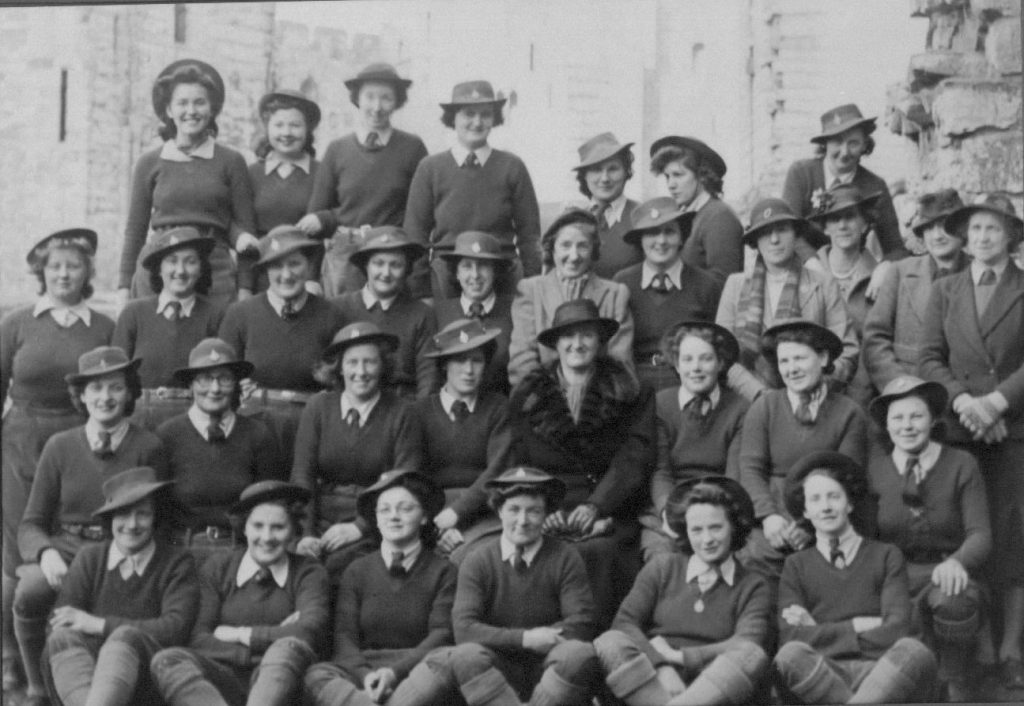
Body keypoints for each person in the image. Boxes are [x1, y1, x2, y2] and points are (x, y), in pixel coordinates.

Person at [14, 346, 165, 704]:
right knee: (31, 591)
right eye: (95, 389)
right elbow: (31, 523)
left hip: (126, 546)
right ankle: (37, 689)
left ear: (129, 392)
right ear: (81, 396)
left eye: (115, 387)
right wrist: (46, 552)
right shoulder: (60, 446)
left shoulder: (149, 446)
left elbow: (160, 519)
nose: (105, 397)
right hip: (68, 547)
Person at [1, 227, 113, 691]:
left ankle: (65, 651)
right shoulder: (17, 322)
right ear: (41, 273)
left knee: (68, 537)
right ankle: (10, 654)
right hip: (21, 441)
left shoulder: (104, 326)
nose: (63, 274)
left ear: (87, 272)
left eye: (73, 266)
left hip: (76, 438)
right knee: (15, 552)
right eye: (54, 266)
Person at [919, 193, 1024, 690]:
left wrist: (997, 404)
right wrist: (964, 403)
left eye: (994, 230)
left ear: (1011, 237)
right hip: (964, 430)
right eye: (976, 229)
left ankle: (1012, 647)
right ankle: (977, 641)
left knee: (1013, 533)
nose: (982, 239)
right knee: (970, 529)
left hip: (1014, 427)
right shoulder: (945, 289)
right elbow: (928, 358)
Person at [396, 467, 602, 706]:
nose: (523, 521)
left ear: (546, 513)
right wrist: (525, 638)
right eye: (514, 510)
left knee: (577, 654)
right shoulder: (477, 559)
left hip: (549, 666)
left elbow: (582, 621)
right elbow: (464, 628)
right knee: (465, 656)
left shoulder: (565, 556)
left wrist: (542, 642)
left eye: (534, 511)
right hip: (493, 669)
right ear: (499, 512)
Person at [509, 299, 654, 626]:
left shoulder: (629, 390)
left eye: (586, 335)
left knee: (597, 553)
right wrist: (542, 510)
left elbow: (634, 457)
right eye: (568, 337)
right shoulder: (528, 394)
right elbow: (520, 460)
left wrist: (596, 508)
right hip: (549, 508)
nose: (577, 344)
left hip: (611, 507)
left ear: (600, 341)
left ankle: (592, 639)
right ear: (555, 345)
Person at [773, 451, 937, 704]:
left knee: (913, 652)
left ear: (849, 504)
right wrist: (859, 625)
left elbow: (897, 629)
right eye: (815, 500)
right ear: (805, 511)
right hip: (823, 673)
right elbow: (791, 636)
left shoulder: (886, 555)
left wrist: (817, 629)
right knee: (790, 655)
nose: (826, 507)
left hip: (883, 671)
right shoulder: (796, 565)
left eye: (834, 497)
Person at [867, 376, 993, 699]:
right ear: (886, 424)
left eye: (916, 416)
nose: (907, 426)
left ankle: (954, 679)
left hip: (945, 572)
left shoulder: (961, 464)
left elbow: (980, 534)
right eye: (898, 418)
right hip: (895, 574)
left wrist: (956, 562)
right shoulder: (874, 470)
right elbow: (867, 537)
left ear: (933, 419)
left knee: (954, 598)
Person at [150, 481, 329, 706]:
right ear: (244, 528)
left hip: (285, 682)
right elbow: (198, 637)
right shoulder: (218, 568)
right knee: (168, 659)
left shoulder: (308, 572)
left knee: (288, 647)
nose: (266, 537)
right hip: (223, 681)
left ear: (293, 530)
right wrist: (264, 645)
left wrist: (238, 634)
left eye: (278, 527)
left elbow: (308, 633)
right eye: (258, 526)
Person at [594, 476, 770, 706]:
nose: (706, 539)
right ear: (686, 532)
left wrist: (680, 657)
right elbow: (625, 622)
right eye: (696, 530)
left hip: (714, 688)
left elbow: (747, 642)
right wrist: (662, 666)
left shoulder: (753, 584)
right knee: (610, 641)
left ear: (733, 528)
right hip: (653, 681)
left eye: (715, 528)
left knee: (751, 655)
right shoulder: (663, 567)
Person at [43, 466, 198, 706]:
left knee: (126, 636)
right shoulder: (90, 557)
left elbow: (175, 628)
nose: (132, 524)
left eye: (143, 514)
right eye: (123, 514)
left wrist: (98, 625)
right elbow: (59, 620)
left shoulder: (176, 562)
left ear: (156, 517)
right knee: (61, 638)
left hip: (145, 673)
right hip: (86, 673)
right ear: (110, 519)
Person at [304, 469, 457, 706]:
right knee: (315, 675)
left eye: (405, 509)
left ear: (424, 516)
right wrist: (367, 676)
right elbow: (344, 637)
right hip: (364, 672)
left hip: (416, 670)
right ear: (375, 518)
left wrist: (393, 674)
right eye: (384, 510)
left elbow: (441, 635)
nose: (393, 516)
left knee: (445, 666)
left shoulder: (444, 571)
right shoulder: (356, 570)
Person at [737, 320, 870, 581]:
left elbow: (848, 477)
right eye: (784, 361)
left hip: (828, 514)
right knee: (755, 560)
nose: (792, 369)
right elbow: (751, 469)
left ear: (822, 358)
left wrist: (810, 525)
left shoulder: (849, 412)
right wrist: (768, 518)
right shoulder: (764, 407)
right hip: (771, 514)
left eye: (799, 358)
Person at [119, 59, 258, 309]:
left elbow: (246, 230)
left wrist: (245, 290)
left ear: (212, 108)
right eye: (182, 103)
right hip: (159, 266)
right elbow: (135, 231)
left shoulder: (231, 161)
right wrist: (122, 289)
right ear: (169, 110)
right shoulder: (149, 162)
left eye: (200, 102)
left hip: (214, 270)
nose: (191, 111)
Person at [291, 323, 422, 584]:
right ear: (339, 367)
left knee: (342, 569)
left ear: (382, 366)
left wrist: (359, 527)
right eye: (352, 363)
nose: (360, 372)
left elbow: (406, 480)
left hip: (375, 523)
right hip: (320, 521)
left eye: (370, 363)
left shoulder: (402, 413)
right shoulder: (318, 408)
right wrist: (305, 534)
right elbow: (302, 476)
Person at [404, 80, 542, 300]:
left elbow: (530, 235)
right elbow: (416, 235)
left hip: (502, 278)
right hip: (447, 279)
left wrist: (531, 288)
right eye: (469, 114)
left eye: (485, 114)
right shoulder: (430, 168)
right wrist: (422, 292)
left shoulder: (512, 167)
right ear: (453, 119)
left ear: (494, 119)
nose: (477, 122)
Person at [219, 226, 345, 466]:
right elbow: (222, 375)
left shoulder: (331, 315)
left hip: (311, 426)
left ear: (308, 266)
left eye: (294, 264)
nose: (286, 275)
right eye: (277, 266)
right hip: (254, 426)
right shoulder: (240, 315)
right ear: (265, 270)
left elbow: (341, 383)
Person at [301, 63, 428, 297]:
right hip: (345, 257)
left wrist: (415, 272)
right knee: (341, 323)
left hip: (390, 257)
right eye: (369, 97)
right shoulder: (337, 150)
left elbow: (419, 215)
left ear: (397, 102)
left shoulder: (412, 149)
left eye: (386, 98)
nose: (377, 107)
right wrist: (310, 279)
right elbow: (316, 218)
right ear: (357, 98)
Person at [716, 198, 855, 402]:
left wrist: (813, 387)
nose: (774, 240)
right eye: (765, 232)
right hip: (750, 402)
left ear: (795, 234)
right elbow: (723, 354)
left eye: (782, 229)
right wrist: (759, 394)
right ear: (755, 241)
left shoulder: (822, 284)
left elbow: (848, 351)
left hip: (814, 400)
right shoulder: (736, 286)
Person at [158, 338, 282, 563]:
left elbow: (270, 507)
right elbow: (160, 510)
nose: (214, 389)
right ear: (191, 385)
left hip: (242, 553)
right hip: (182, 554)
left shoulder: (258, 435)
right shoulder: (168, 435)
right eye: (205, 379)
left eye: (224, 379)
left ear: (236, 384)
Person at [639, 322, 748, 561]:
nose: (696, 368)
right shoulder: (661, 405)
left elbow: (733, 476)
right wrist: (670, 514)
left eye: (706, 359)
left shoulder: (740, 408)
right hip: (672, 506)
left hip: (720, 507)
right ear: (677, 365)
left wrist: (712, 519)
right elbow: (660, 471)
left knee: (735, 559)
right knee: (663, 560)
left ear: (720, 363)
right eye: (687, 360)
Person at [415, 318, 511, 562]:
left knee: (474, 559)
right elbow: (412, 476)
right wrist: (434, 526)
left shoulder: (498, 408)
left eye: (476, 361)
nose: (468, 370)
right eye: (459, 360)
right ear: (444, 365)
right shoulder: (418, 412)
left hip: (484, 511)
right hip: (431, 516)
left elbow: (498, 470)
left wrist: (457, 513)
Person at [508, 208, 634, 386]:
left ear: (593, 250)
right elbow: (522, 361)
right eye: (565, 245)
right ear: (552, 249)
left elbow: (620, 365)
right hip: (543, 403)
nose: (573, 256)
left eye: (582, 246)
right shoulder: (531, 290)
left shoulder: (615, 295)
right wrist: (549, 404)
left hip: (601, 403)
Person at [113, 226, 223, 430]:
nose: (180, 271)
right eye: (172, 261)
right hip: (140, 421)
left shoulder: (216, 316)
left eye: (190, 262)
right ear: (159, 268)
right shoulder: (134, 313)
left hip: (196, 421)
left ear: (201, 269)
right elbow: (117, 377)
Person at [863, 189, 968, 392]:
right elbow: (875, 338)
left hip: (966, 400)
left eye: (945, 226)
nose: (937, 235)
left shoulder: (980, 275)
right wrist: (900, 385)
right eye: (929, 228)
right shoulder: (900, 273)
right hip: (910, 396)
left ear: (962, 229)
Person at [614, 197, 721, 391]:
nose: (661, 241)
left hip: (689, 384)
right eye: (653, 233)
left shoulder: (706, 285)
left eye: (669, 232)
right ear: (641, 239)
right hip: (635, 386)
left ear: (682, 237)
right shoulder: (623, 283)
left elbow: (717, 347)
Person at [781, 103, 906, 267]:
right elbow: (788, 231)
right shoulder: (801, 174)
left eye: (853, 143)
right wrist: (813, 263)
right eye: (837, 143)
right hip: (806, 268)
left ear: (865, 145)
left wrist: (884, 268)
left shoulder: (875, 186)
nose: (845, 152)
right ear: (825, 144)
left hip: (853, 273)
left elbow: (895, 248)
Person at [330, 227, 437, 399]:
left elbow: (428, 378)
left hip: (403, 409)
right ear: (366, 266)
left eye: (395, 265)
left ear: (407, 269)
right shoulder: (339, 308)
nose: (386, 273)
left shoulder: (422, 314)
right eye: (378, 263)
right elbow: (329, 372)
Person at [808, 183, 884, 406]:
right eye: (834, 219)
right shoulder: (808, 274)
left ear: (864, 224)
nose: (842, 225)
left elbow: (879, 343)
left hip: (866, 392)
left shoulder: (881, 276)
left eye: (850, 217)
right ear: (824, 228)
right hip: (814, 387)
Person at [249, 89, 322, 291]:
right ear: (267, 128)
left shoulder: (322, 173)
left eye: (295, 125)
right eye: (279, 125)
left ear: (308, 129)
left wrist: (313, 280)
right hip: (262, 274)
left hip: (305, 277)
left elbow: (327, 228)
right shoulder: (251, 174)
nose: (286, 133)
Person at [648, 135, 744, 283]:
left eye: (678, 175)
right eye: (667, 177)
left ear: (701, 176)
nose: (671, 184)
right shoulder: (687, 214)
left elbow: (724, 284)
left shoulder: (719, 216)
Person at [433, 231, 515, 396]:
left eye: (483, 265)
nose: (475, 275)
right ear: (457, 273)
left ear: (495, 271)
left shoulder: (514, 311)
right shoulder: (438, 313)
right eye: (467, 266)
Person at [571, 132, 642, 279]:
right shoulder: (572, 220)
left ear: (626, 171)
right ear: (585, 176)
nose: (605, 178)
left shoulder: (641, 216)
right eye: (596, 170)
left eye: (613, 169)